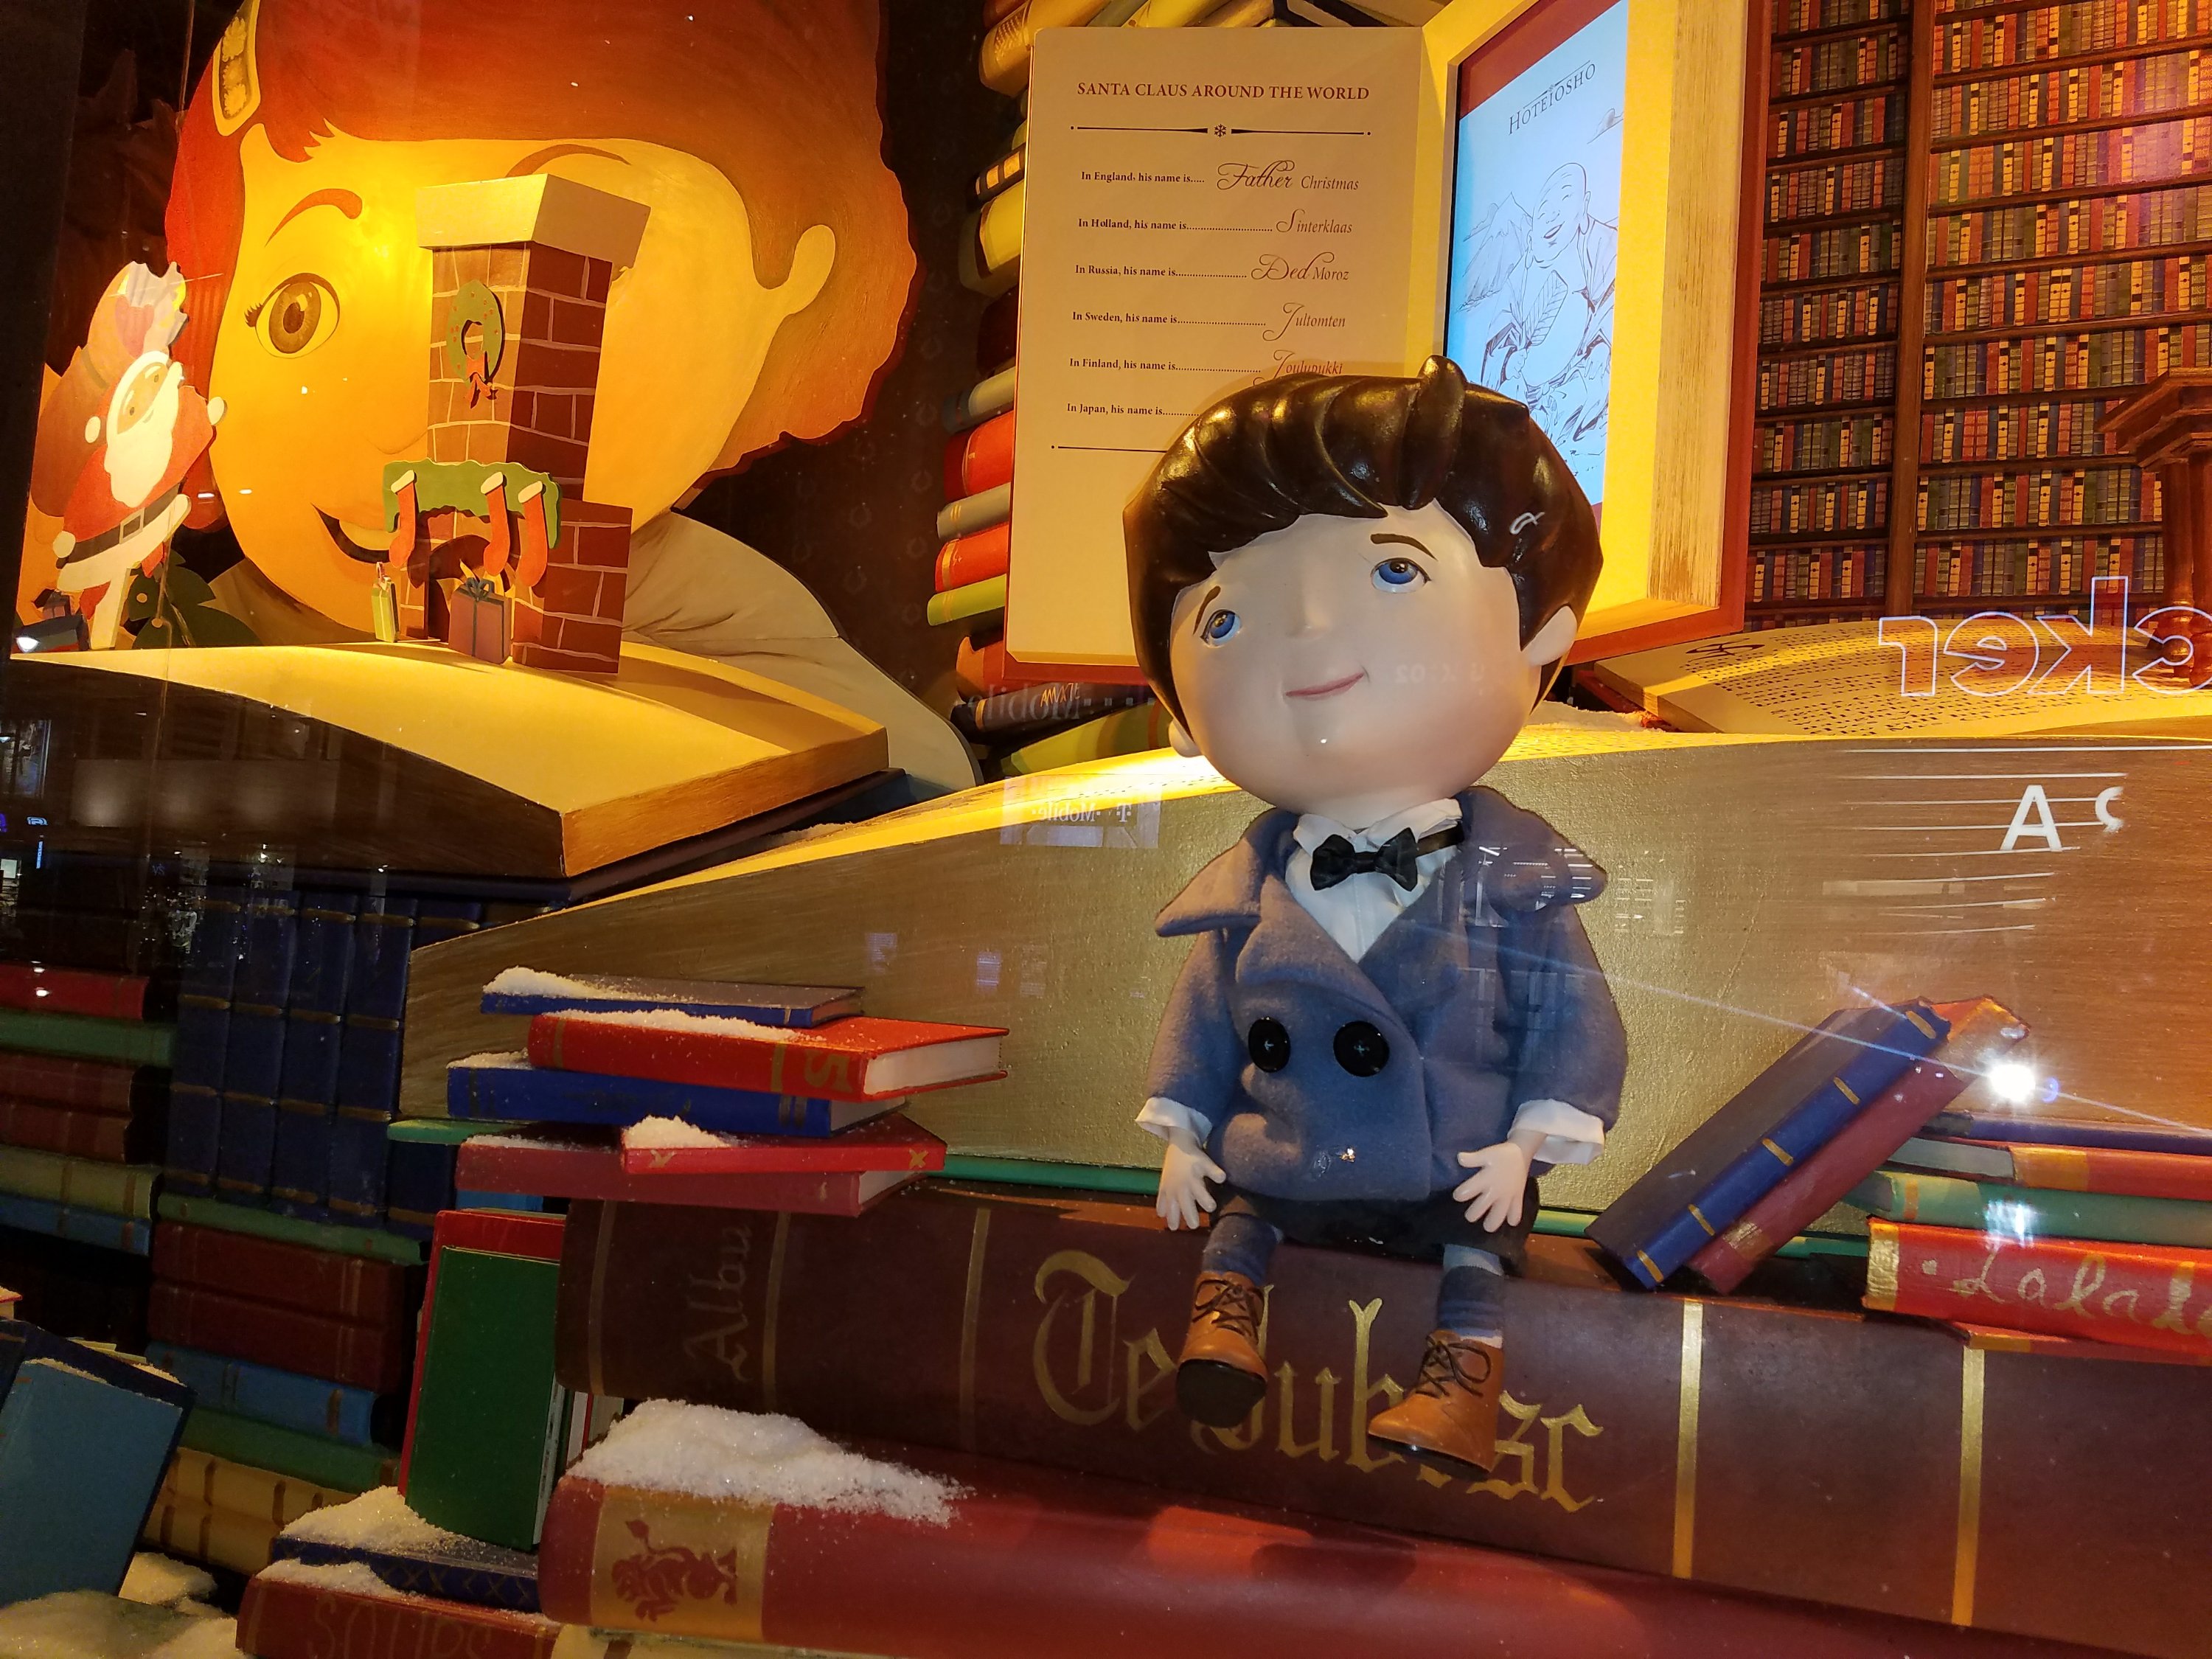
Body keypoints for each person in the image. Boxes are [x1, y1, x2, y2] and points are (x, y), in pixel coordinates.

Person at [105, 0, 973, 793]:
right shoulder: (201, 633)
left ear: (792, 273)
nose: (398, 418)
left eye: (551, 276)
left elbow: (911, 770)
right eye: (300, 310)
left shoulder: (694, 604)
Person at [1121, 356, 1628, 1478]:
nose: (1308, 634)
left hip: (1451, 1161)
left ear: (1544, 632)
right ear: (1178, 713)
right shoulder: (1242, 901)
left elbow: (1572, 1024)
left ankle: (1462, 1385)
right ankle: (1222, 1327)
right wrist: (1182, 1136)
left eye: (1394, 570)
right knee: (1243, 1216)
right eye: (1226, 617)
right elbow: (1201, 1023)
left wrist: (1530, 1146)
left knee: (1480, 1246)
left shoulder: (1519, 886)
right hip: (1287, 1155)